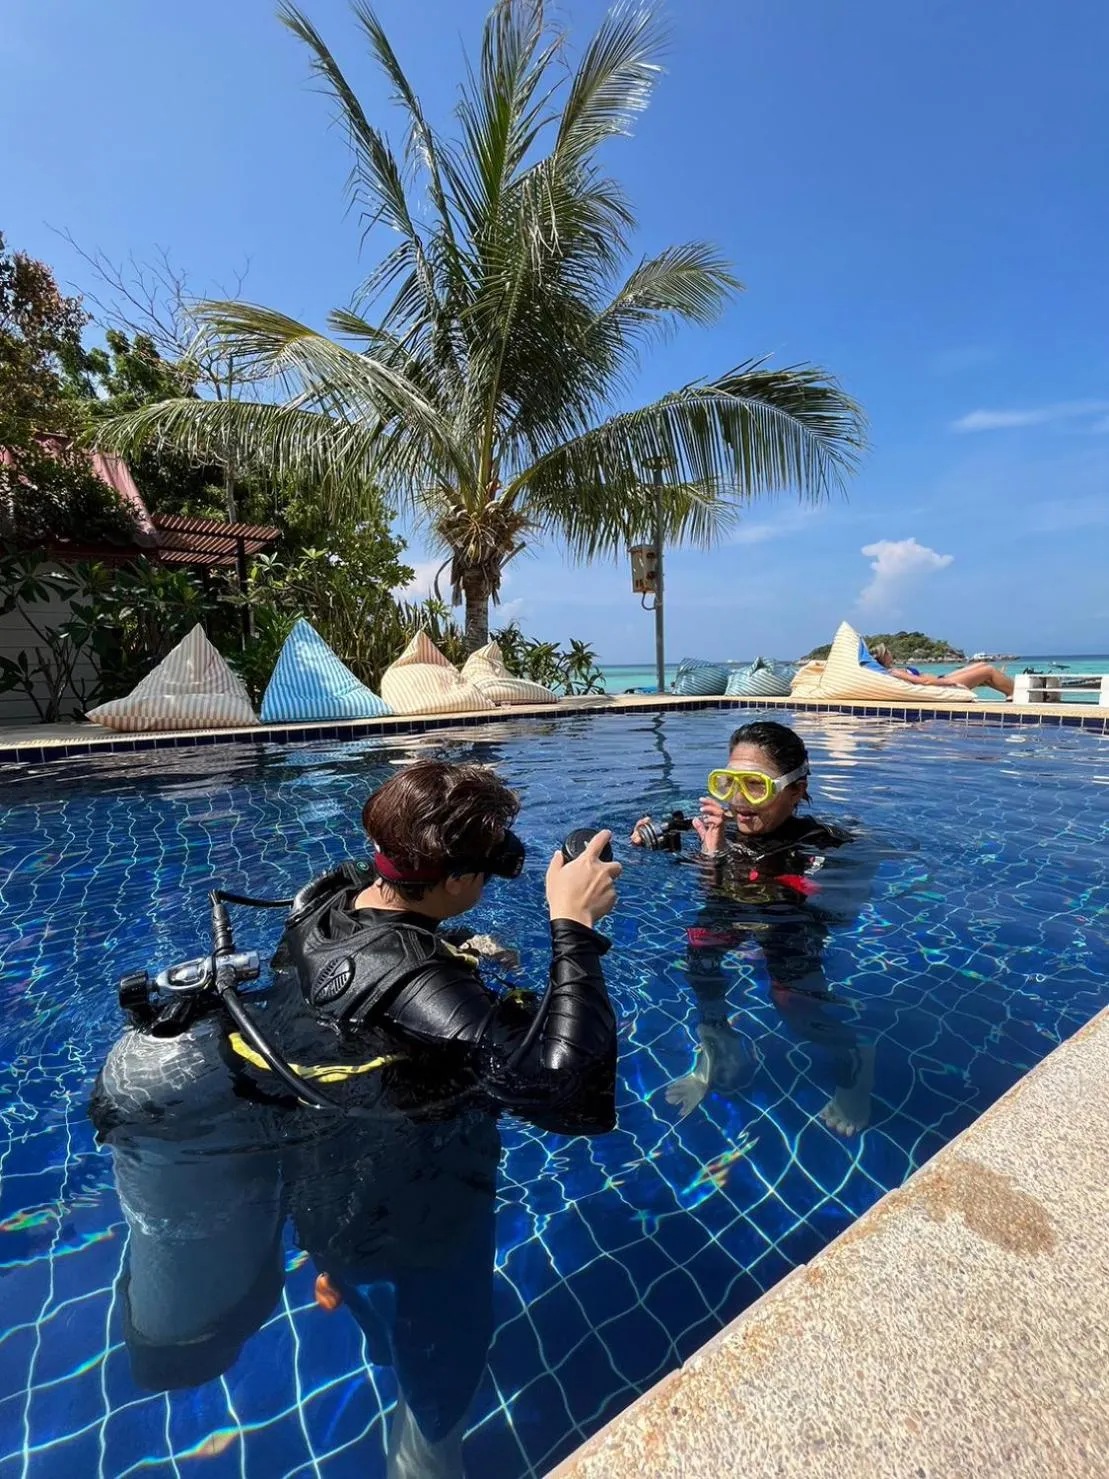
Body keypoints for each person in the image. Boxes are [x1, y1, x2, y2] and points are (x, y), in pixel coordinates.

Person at [90, 761, 621, 1479]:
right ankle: (427, 1453)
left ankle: (356, 1301)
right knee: (450, 1337)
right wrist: (573, 927)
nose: (496, 876)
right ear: (455, 877)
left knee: (383, 1304)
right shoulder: (414, 980)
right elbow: (572, 1095)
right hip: (424, 1219)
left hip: (328, 1198)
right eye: (491, 862)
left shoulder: (326, 906)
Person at [631, 721, 875, 1137]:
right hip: (737, 902)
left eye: (756, 787)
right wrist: (654, 843)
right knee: (700, 950)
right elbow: (700, 885)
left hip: (788, 924)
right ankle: (715, 1046)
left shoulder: (821, 844)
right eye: (729, 783)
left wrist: (717, 860)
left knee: (792, 1002)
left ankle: (856, 1061)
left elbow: (821, 909)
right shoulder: (718, 831)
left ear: (797, 790)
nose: (739, 802)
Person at [870, 642, 1014, 698]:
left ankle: (1009, 692)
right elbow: (924, 682)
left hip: (941, 678)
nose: (891, 653)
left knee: (982, 665)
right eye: (888, 652)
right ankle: (1014, 693)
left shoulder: (893, 670)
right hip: (942, 682)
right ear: (884, 656)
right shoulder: (895, 672)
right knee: (988, 670)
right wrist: (950, 683)